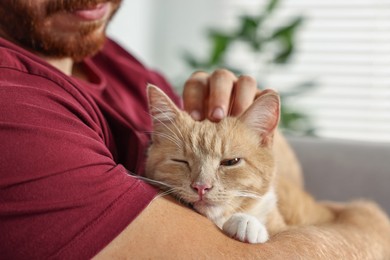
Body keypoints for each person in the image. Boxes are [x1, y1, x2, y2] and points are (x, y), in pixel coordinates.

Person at [0, 1, 389, 259]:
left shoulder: (104, 50)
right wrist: (368, 227)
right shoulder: (14, 105)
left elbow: (288, 182)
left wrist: (248, 125)